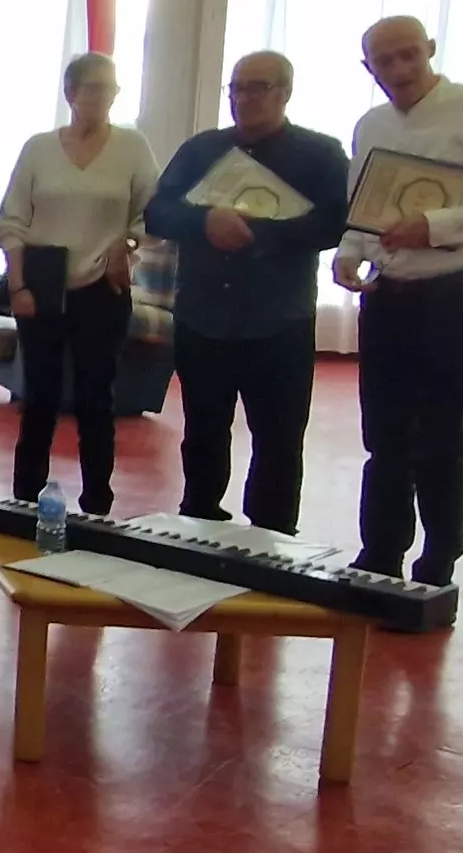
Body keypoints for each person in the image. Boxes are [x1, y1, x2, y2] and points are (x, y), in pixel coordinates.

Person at [334, 15, 463, 584]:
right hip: (386, 298)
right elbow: (365, 207)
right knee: (383, 436)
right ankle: (379, 557)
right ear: (369, 68)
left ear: (430, 49)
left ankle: (438, 565)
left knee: (443, 437)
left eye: (409, 54)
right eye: (385, 60)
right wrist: (349, 252)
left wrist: (434, 226)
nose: (399, 69)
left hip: (455, 296)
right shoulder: (371, 125)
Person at [143, 51, 352, 533]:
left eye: (258, 87)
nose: (244, 98)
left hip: (279, 319)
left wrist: (261, 232)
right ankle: (199, 524)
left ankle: (272, 541)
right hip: (202, 316)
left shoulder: (320, 154)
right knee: (202, 432)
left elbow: (336, 223)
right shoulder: (201, 150)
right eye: (237, 88)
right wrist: (205, 221)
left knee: (279, 439)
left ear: (285, 93)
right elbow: (158, 213)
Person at [0, 53, 157, 517]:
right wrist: (19, 287)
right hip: (42, 284)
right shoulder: (39, 148)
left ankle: (98, 504)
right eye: (94, 87)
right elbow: (11, 221)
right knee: (39, 398)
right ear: (71, 92)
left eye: (111, 88)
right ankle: (25, 501)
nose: (104, 97)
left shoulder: (132, 147)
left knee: (96, 400)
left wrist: (128, 244)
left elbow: (151, 213)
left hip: (104, 287)